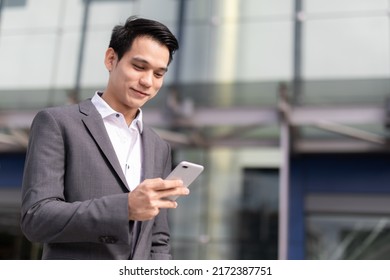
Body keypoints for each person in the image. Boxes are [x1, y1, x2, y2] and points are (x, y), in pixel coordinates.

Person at [20, 16, 190, 260]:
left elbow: (158, 239)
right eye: (139, 67)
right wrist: (125, 208)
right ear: (111, 59)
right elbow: (36, 218)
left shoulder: (158, 146)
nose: (147, 82)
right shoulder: (57, 123)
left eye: (158, 74)